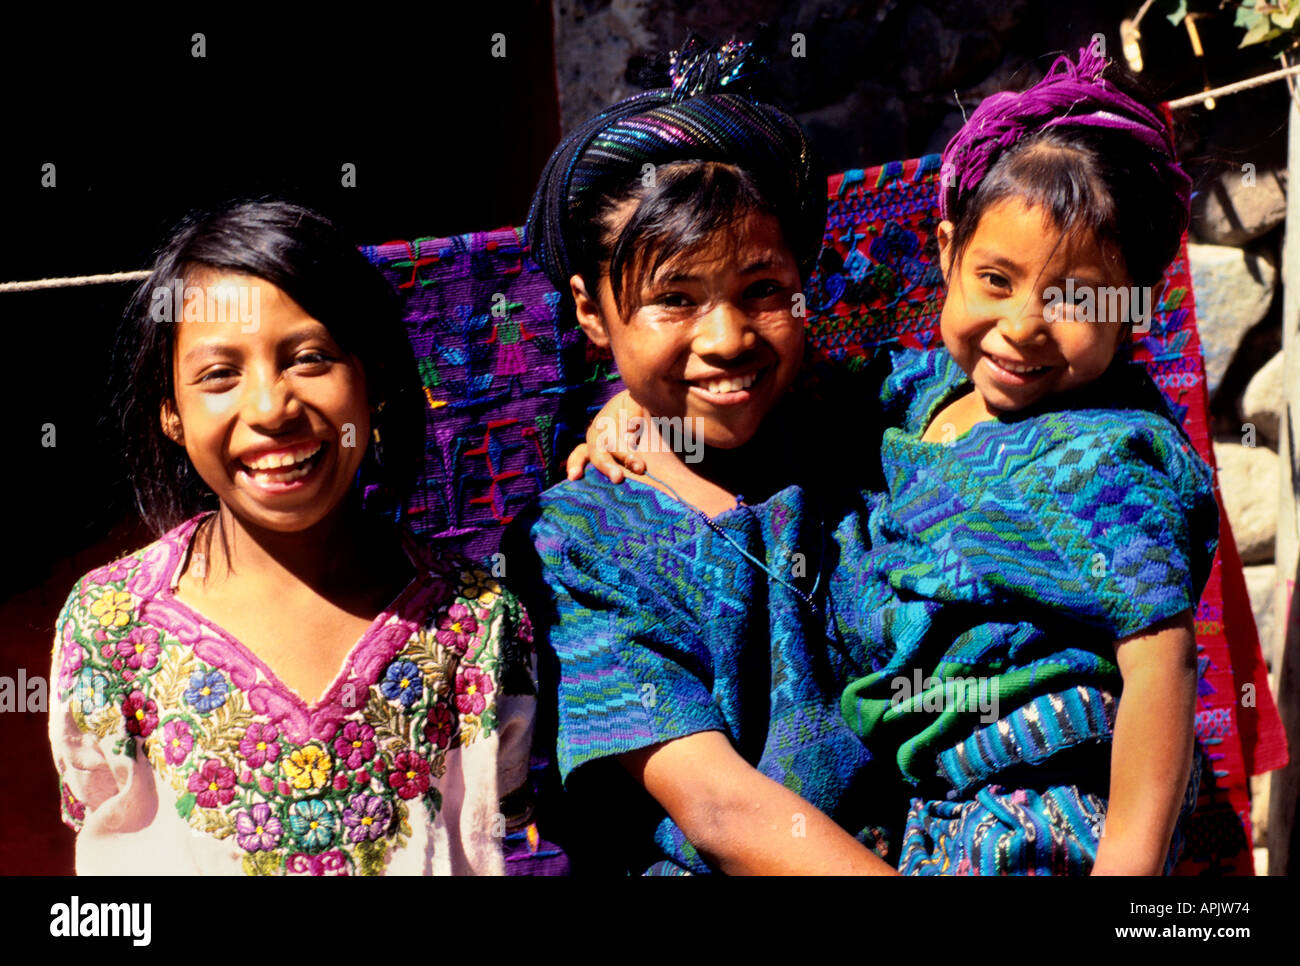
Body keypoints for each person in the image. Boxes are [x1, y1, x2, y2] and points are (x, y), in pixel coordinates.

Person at [507, 37, 902, 875]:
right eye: (674, 301)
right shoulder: (577, 546)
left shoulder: (876, 435)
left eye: (762, 290)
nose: (725, 340)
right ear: (591, 311)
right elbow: (719, 808)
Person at [48, 200, 536, 875]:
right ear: (171, 411)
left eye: (310, 358)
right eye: (220, 374)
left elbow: (493, 835)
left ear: (376, 382)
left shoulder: (475, 621)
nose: (273, 408)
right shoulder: (109, 626)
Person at [831, 45, 1218, 875]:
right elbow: (767, 401)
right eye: (996, 280)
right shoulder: (911, 398)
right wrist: (634, 422)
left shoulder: (1110, 458)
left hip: (1053, 812)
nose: (1022, 328)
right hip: (934, 813)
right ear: (946, 254)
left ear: (1137, 307)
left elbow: (1161, 661)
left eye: (1075, 299)